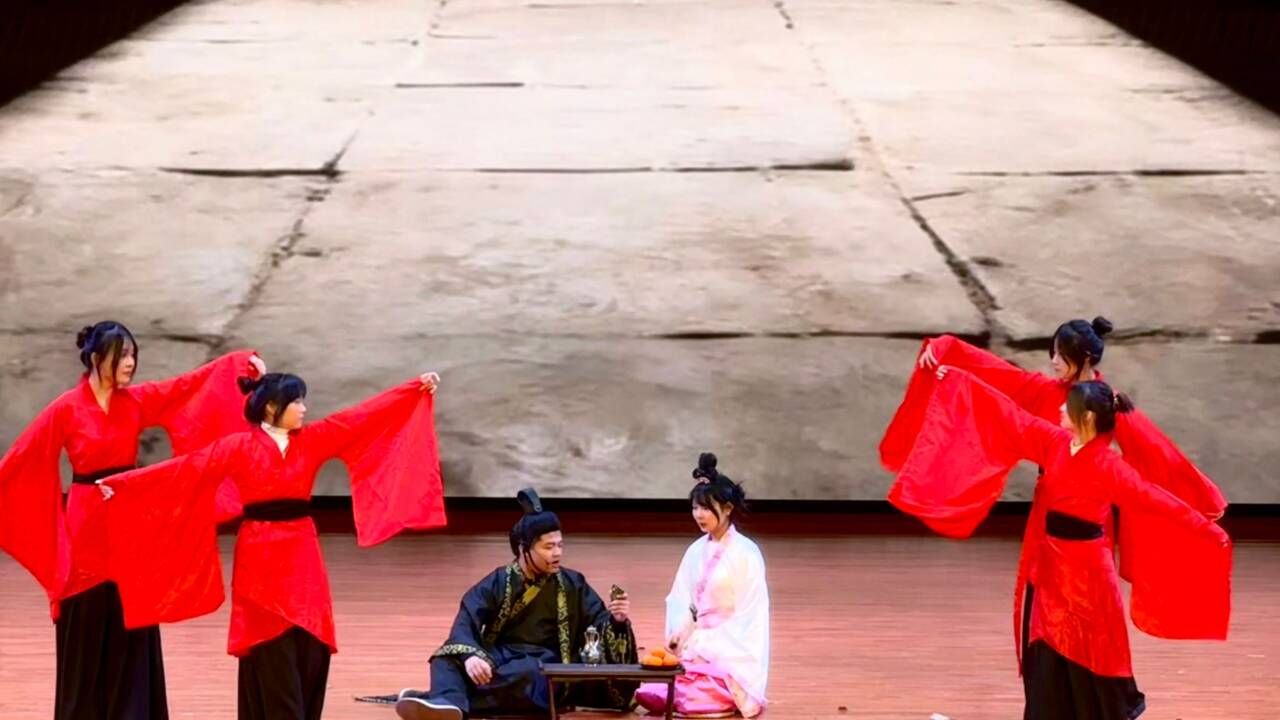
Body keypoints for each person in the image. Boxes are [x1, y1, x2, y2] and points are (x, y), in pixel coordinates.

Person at [93, 370, 445, 720]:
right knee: (271, 648)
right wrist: (125, 485)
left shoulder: (313, 439)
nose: (304, 408)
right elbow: (188, 469)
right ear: (272, 407)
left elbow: (360, 418)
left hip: (302, 554)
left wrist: (412, 388)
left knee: (310, 646)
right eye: (296, 401)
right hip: (259, 556)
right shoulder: (238, 446)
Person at [890, 368, 1231, 718]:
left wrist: (1209, 531)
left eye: (1068, 407)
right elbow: (1011, 417)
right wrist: (958, 379)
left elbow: (1156, 500)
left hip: (1089, 574)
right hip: (1053, 566)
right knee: (1047, 639)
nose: (1060, 409)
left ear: (1087, 418)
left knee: (1093, 648)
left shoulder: (1109, 466)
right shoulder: (1053, 442)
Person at [0, 320, 262, 720]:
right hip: (86, 528)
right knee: (85, 621)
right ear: (95, 358)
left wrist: (239, 364)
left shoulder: (135, 402)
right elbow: (24, 458)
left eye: (133, 355)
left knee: (132, 620)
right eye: (121, 355)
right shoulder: (66, 409)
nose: (130, 362)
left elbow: (188, 388)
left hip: (127, 523)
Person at [395, 488, 637, 720]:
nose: (557, 553)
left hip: (545, 661)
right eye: (548, 547)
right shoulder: (499, 581)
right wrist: (471, 656)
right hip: (501, 656)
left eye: (560, 545)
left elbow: (598, 621)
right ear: (524, 549)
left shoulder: (573, 583)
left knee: (530, 675)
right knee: (446, 657)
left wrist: (616, 621)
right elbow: (466, 620)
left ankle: (447, 699)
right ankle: (448, 704)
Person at [635, 453, 769, 718]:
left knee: (694, 696)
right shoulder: (695, 551)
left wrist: (708, 644)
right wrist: (680, 634)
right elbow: (681, 599)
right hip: (695, 646)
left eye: (706, 508)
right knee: (656, 690)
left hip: (728, 653)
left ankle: (704, 692)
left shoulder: (747, 553)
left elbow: (750, 618)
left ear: (728, 509)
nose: (699, 515)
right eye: (695, 508)